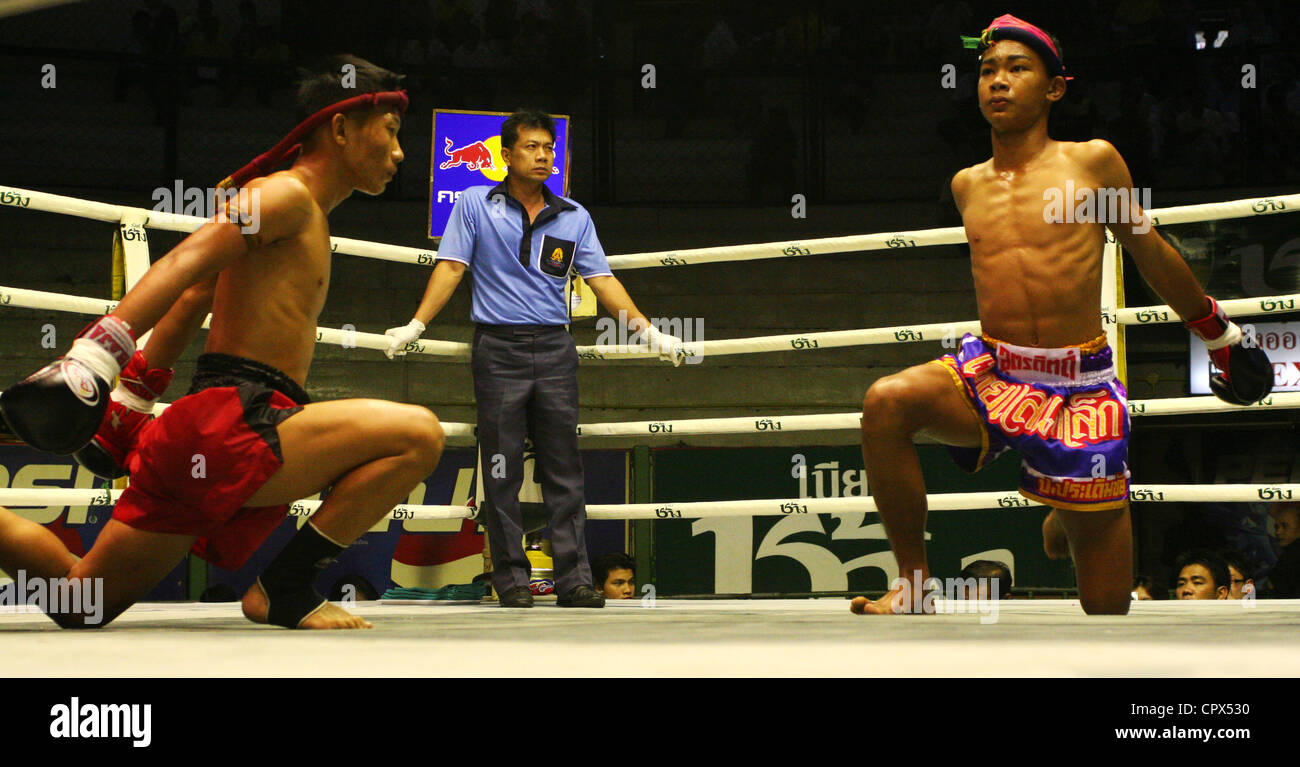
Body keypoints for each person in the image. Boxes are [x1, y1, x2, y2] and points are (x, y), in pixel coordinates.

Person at [0, 56, 444, 630]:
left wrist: (132, 400)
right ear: (340, 128)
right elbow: (185, 262)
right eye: (390, 132)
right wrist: (93, 358)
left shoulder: (293, 208)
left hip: (214, 434)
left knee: (80, 604)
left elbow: (193, 298)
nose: (400, 153)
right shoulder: (286, 196)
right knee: (417, 435)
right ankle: (284, 588)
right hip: (234, 423)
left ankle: (281, 585)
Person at [852, 14, 1273, 617]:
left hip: (1079, 389)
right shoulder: (966, 183)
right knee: (886, 401)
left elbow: (1147, 249)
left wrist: (1220, 334)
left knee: (1105, 608)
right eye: (988, 70)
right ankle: (914, 584)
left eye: (1017, 69)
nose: (998, 81)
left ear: (1054, 88)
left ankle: (1063, 501)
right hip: (993, 372)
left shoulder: (1092, 162)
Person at [383, 109, 682, 609]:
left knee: (565, 468)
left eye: (549, 148)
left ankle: (573, 581)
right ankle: (511, 580)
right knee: (501, 470)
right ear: (506, 154)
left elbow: (602, 280)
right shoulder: (475, 204)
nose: (544, 156)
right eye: (532, 147)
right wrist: (417, 324)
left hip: (556, 347)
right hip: (497, 347)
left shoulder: (574, 215)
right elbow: (452, 266)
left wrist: (648, 331)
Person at [1266, 501, 1300, 598]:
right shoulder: (1288, 555)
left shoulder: (1292, 557)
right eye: (1276, 527)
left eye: (1285, 526)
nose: (1278, 532)